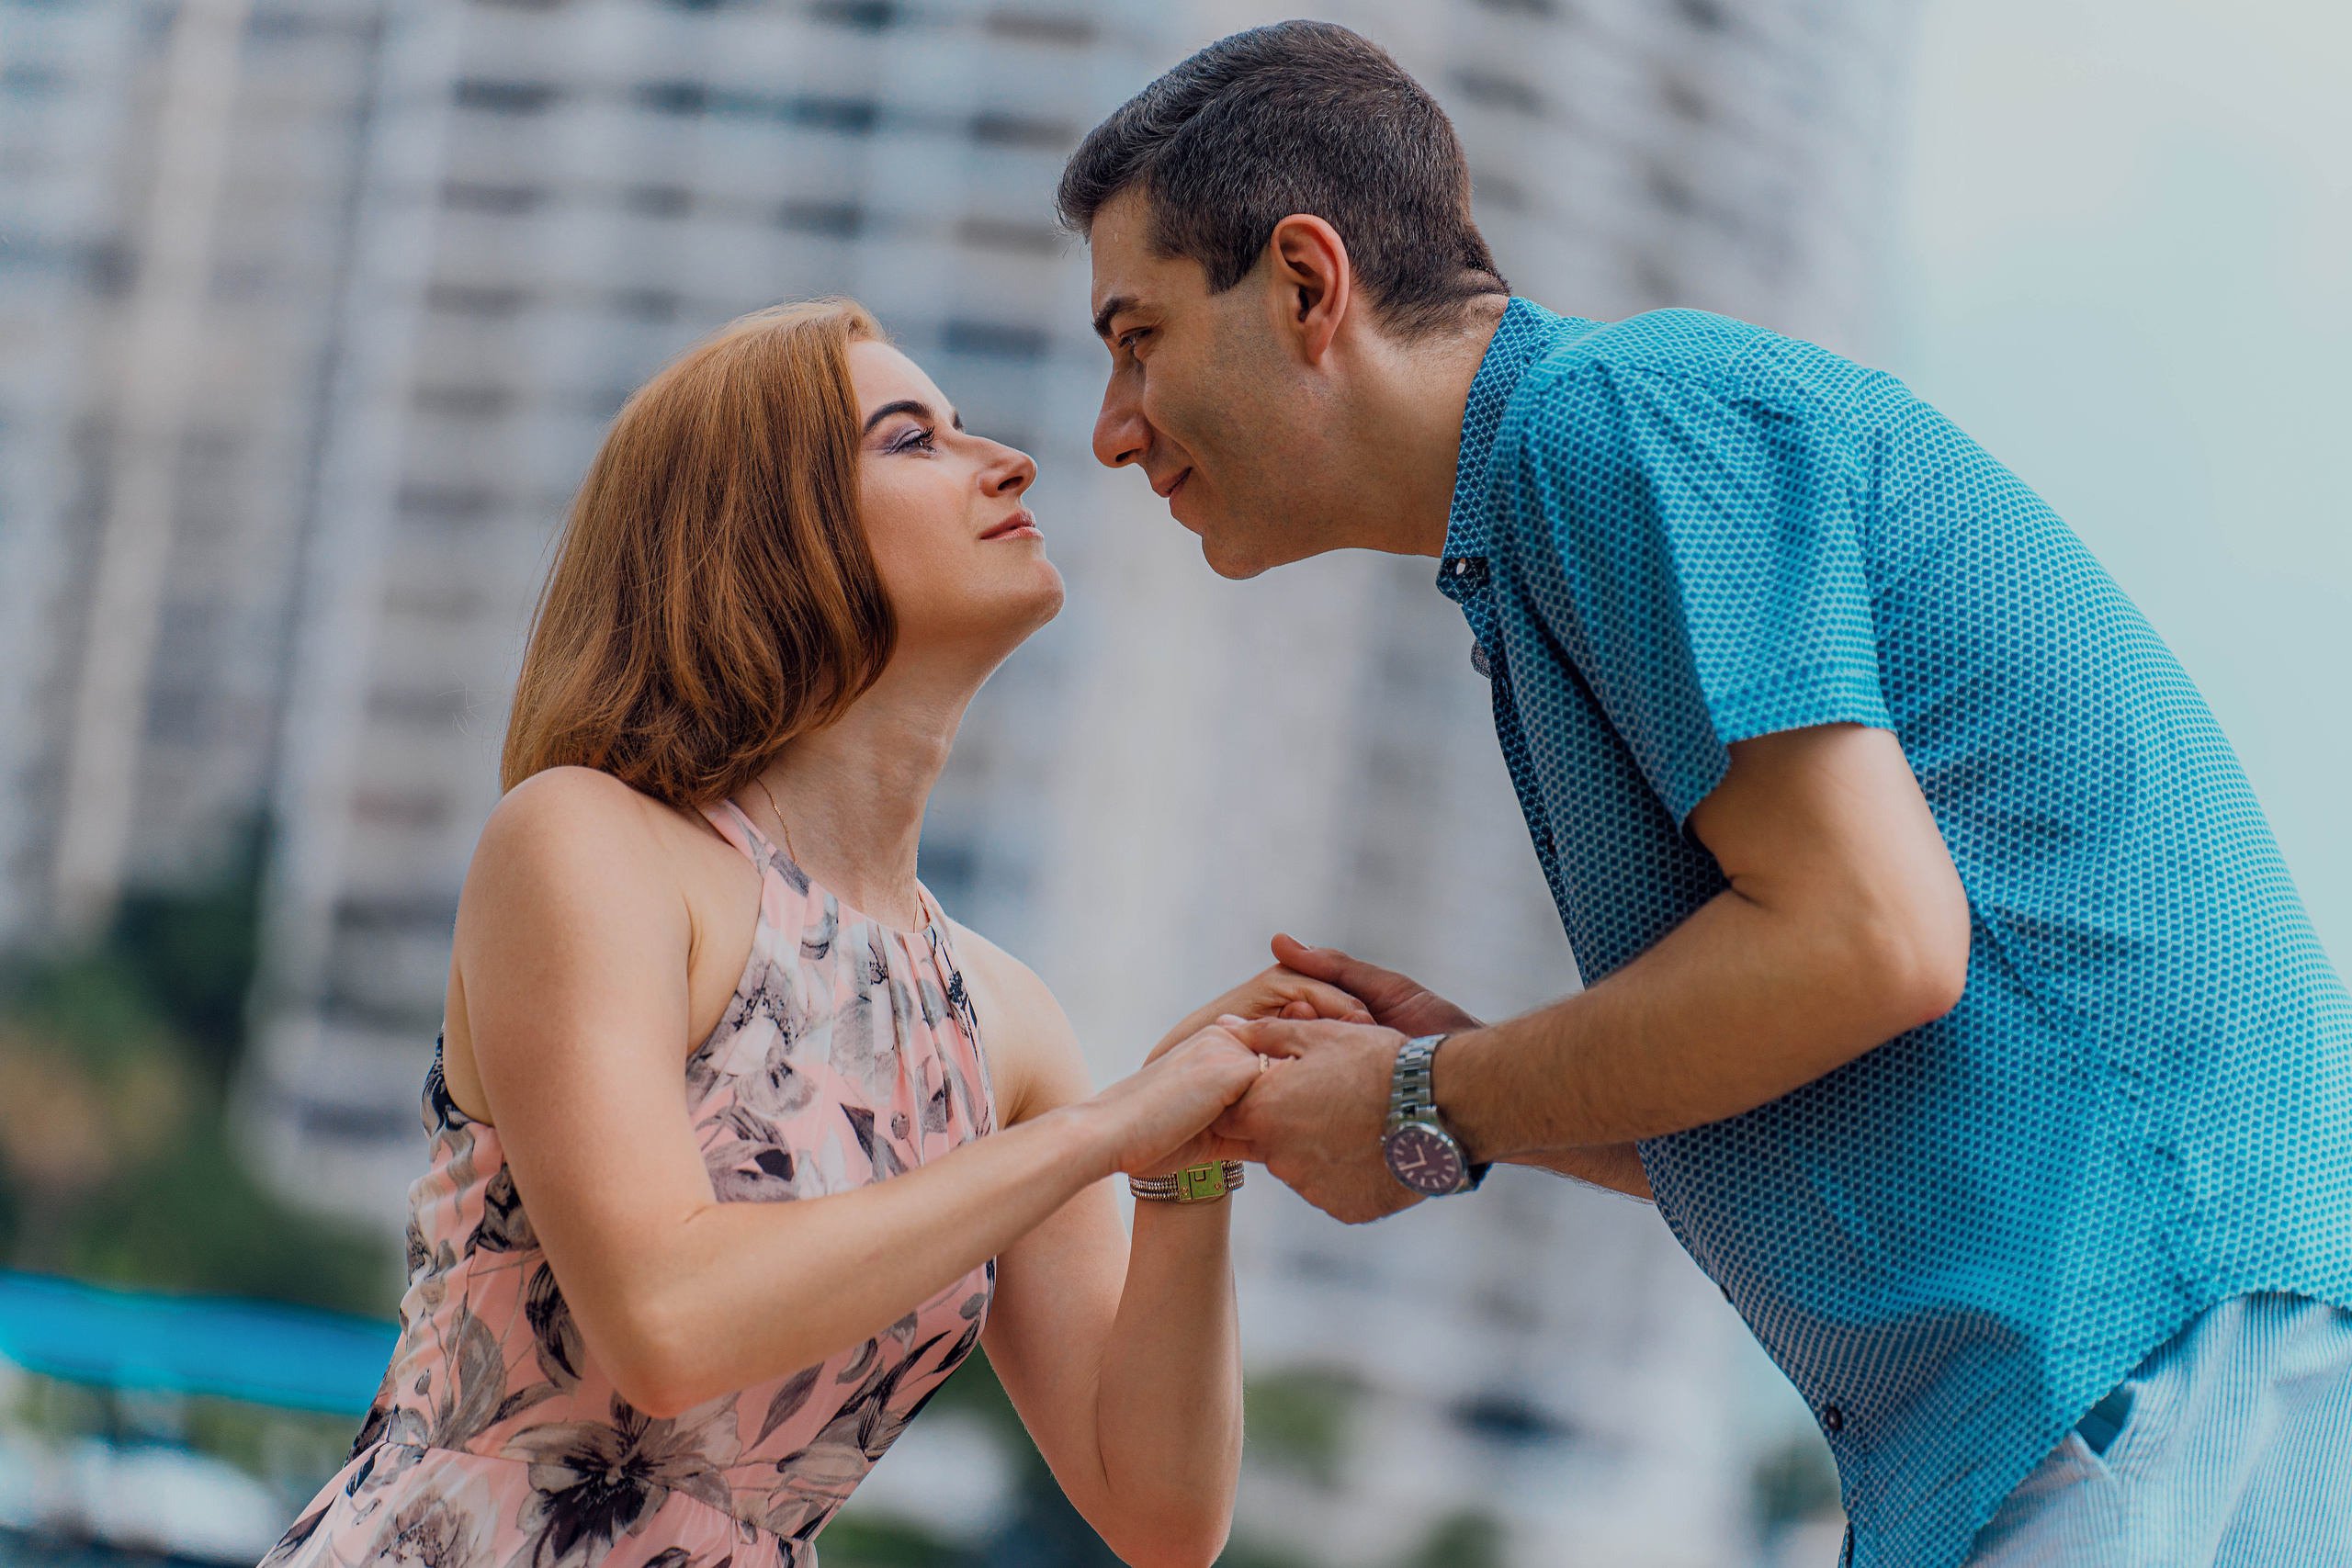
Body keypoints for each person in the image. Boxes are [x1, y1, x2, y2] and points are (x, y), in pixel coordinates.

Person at [1061, 22, 2352, 1568]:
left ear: (1304, 284)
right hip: (2144, 1369)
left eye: (1137, 338)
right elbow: (1841, 1038)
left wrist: (1423, 1104)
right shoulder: (1561, 495)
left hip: (2152, 1365)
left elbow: (1868, 943)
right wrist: (1459, 1092)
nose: (1111, 427)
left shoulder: (1610, 423)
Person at [259, 299, 1368, 1568]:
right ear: (767, 535)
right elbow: (667, 1322)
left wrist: (1186, 1162)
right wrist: (1100, 1132)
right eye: (913, 439)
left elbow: (1163, 1514)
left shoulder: (1002, 1024)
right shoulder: (589, 845)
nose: (1011, 461)